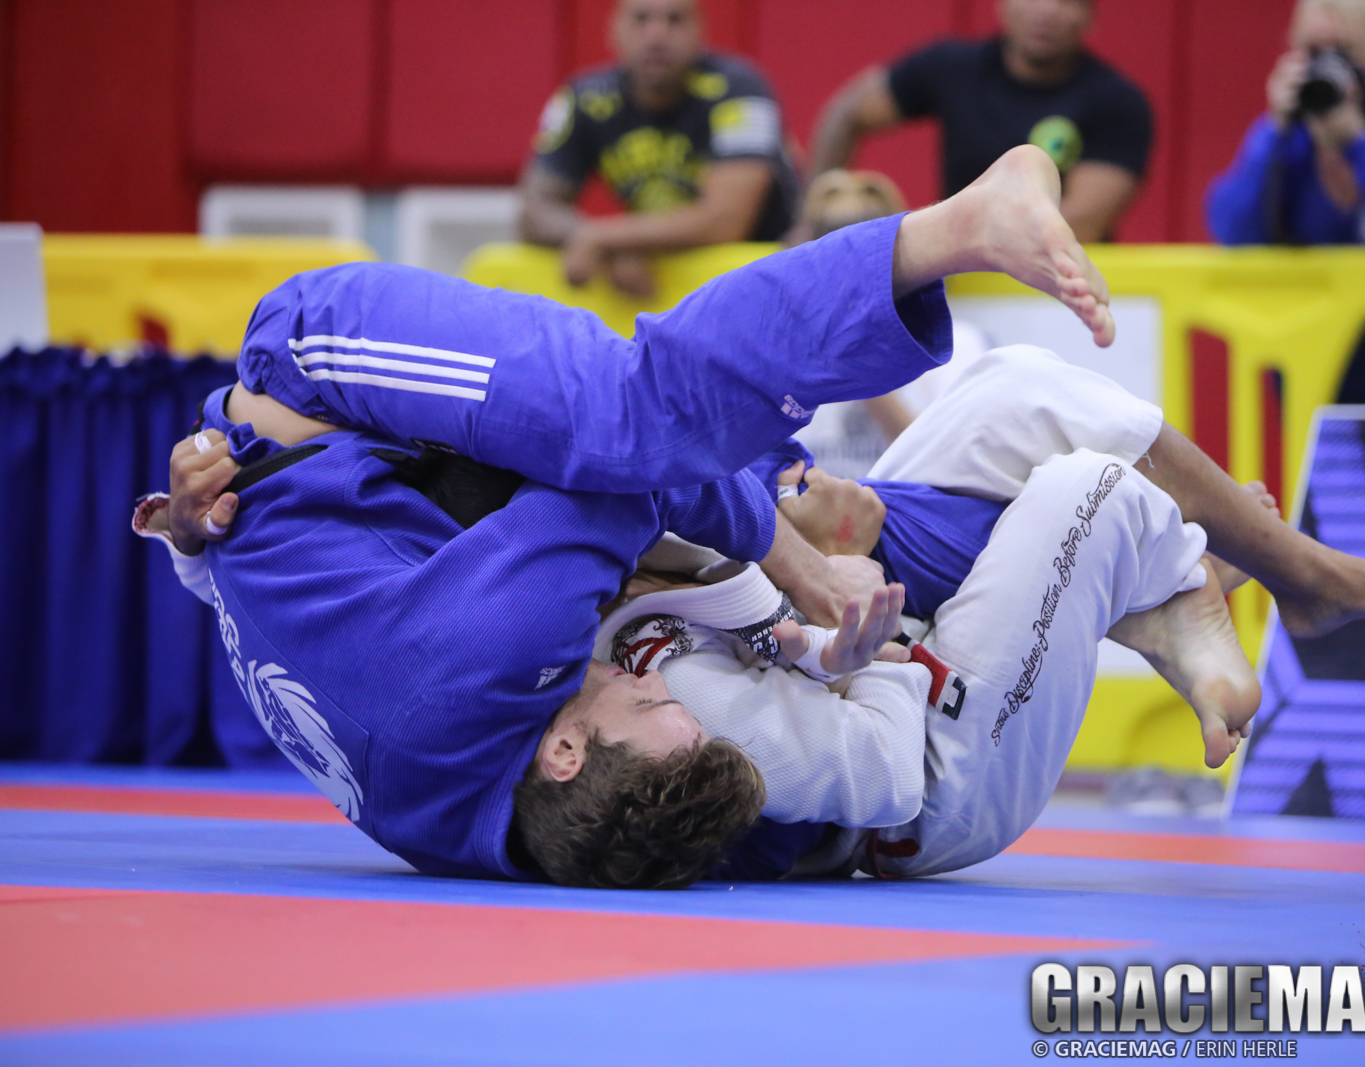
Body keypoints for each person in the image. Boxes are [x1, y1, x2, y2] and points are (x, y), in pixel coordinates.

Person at [137, 147, 1117, 889]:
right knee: (688, 472)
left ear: (566, 753)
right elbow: (282, 612)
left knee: (636, 421)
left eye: (645, 704)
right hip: (384, 465)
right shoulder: (481, 831)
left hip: (319, 370)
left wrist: (800, 571)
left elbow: (636, 482)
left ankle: (954, 228)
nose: (646, 679)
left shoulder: (493, 657)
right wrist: (191, 544)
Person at [809, 0, 1152, 243]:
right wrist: (812, 218)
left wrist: (923, 241)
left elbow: (1079, 225)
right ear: (1002, 5)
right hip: (961, 280)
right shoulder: (952, 68)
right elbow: (846, 114)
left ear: (1090, 17)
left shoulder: (1117, 102)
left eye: (1067, 1)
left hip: (1062, 290)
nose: (1046, 10)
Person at [519, 0, 800, 297]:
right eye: (641, 19)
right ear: (614, 30)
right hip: (659, 276)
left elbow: (725, 222)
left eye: (675, 20)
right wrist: (604, 241)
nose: (657, 35)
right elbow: (533, 210)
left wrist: (607, 238)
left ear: (700, 32)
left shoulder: (739, 89)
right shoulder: (586, 98)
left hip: (764, 281)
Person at [1206, 0, 1365, 248]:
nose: (1327, 64)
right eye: (1314, 51)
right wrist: (1274, 131)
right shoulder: (1287, 131)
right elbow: (1231, 232)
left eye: (1343, 51)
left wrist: (1360, 145)